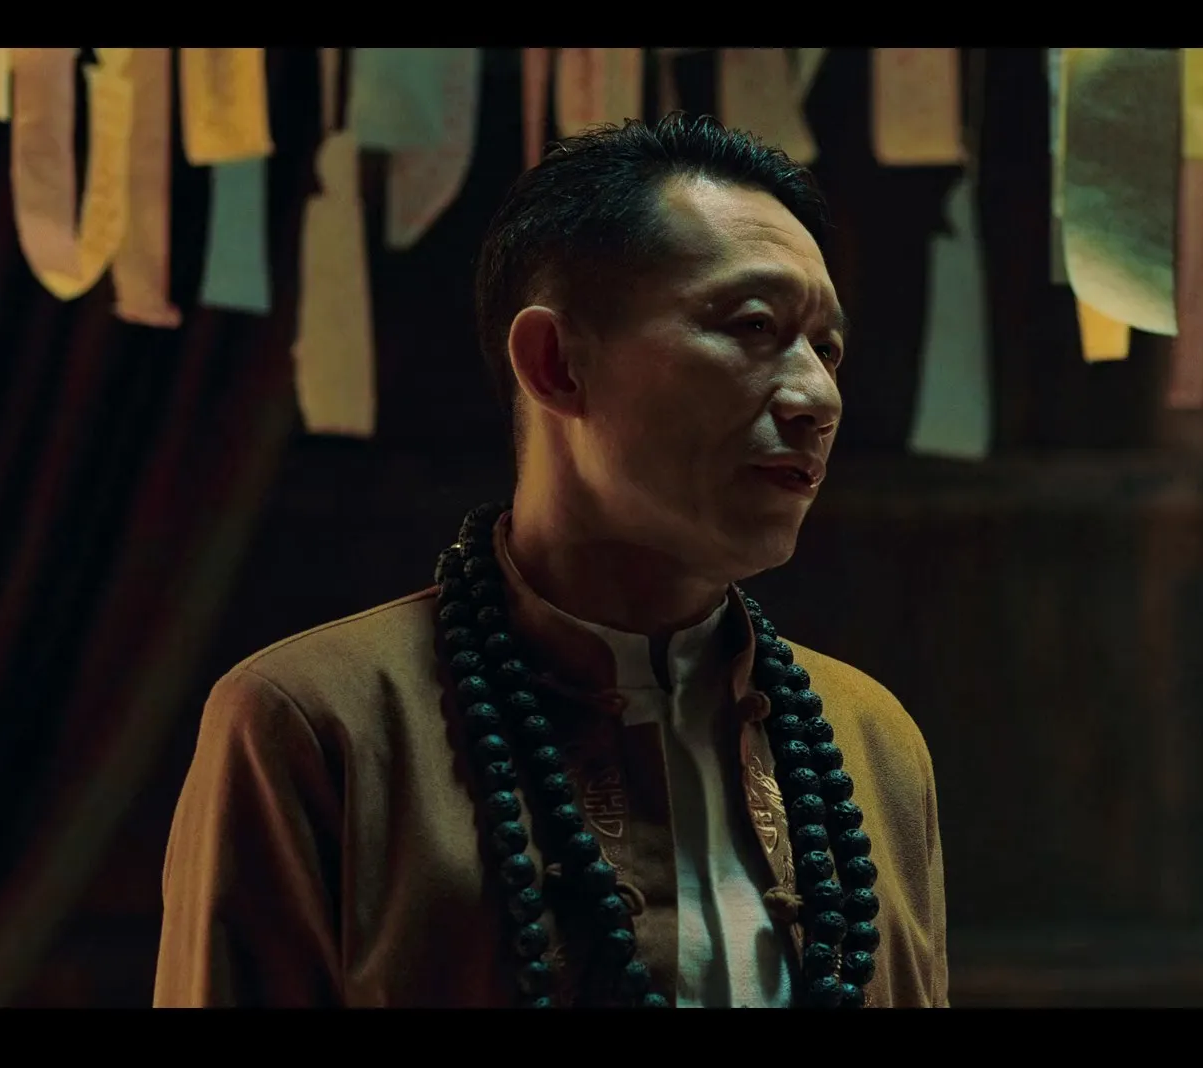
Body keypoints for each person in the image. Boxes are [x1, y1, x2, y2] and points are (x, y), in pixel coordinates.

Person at [153, 113, 949, 1009]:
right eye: (754, 325)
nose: (816, 396)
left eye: (827, 348)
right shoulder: (317, 725)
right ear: (556, 362)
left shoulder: (870, 742)